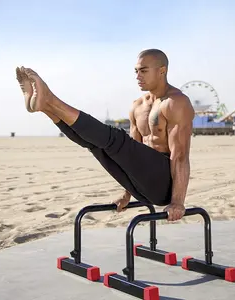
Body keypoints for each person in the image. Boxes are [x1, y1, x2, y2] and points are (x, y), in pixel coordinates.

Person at [15, 49, 195, 222]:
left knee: (115, 139)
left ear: (162, 71)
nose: (137, 76)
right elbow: (129, 155)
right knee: (96, 145)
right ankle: (46, 107)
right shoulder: (138, 106)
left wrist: (177, 202)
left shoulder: (176, 102)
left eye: (143, 71)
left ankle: (50, 98)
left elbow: (179, 155)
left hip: (165, 185)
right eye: (136, 71)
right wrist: (127, 195)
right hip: (141, 185)